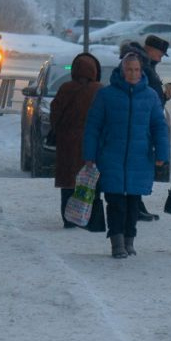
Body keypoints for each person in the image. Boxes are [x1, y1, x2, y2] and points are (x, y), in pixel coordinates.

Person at [82, 53, 170, 259]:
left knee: (133, 205)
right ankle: (117, 243)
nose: (133, 73)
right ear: (122, 71)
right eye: (129, 69)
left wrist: (162, 153)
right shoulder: (106, 95)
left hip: (139, 160)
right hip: (111, 158)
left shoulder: (150, 96)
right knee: (115, 204)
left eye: (137, 69)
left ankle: (130, 239)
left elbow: (159, 126)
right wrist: (89, 155)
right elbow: (93, 127)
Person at [120, 34, 171, 220]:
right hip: (139, 125)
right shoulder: (141, 66)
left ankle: (137, 205)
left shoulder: (147, 65)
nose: (161, 58)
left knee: (139, 168)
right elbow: (146, 97)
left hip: (142, 123)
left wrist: (164, 96)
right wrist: (162, 96)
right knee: (135, 167)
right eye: (160, 54)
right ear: (151, 50)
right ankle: (134, 208)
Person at [50, 52, 105, 231]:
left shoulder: (65, 88)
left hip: (67, 141)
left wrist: (58, 131)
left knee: (68, 182)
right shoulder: (99, 90)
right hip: (92, 141)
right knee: (90, 181)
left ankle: (68, 218)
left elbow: (55, 113)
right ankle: (89, 216)